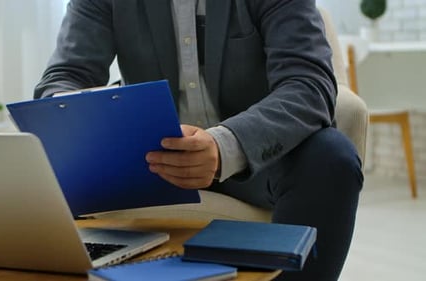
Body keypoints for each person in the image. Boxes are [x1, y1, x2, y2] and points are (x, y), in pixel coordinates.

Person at [34, 0, 363, 280]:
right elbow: (64, 77)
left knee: (332, 158)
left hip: (256, 155)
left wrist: (224, 146)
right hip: (151, 158)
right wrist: (68, 108)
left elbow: (308, 84)